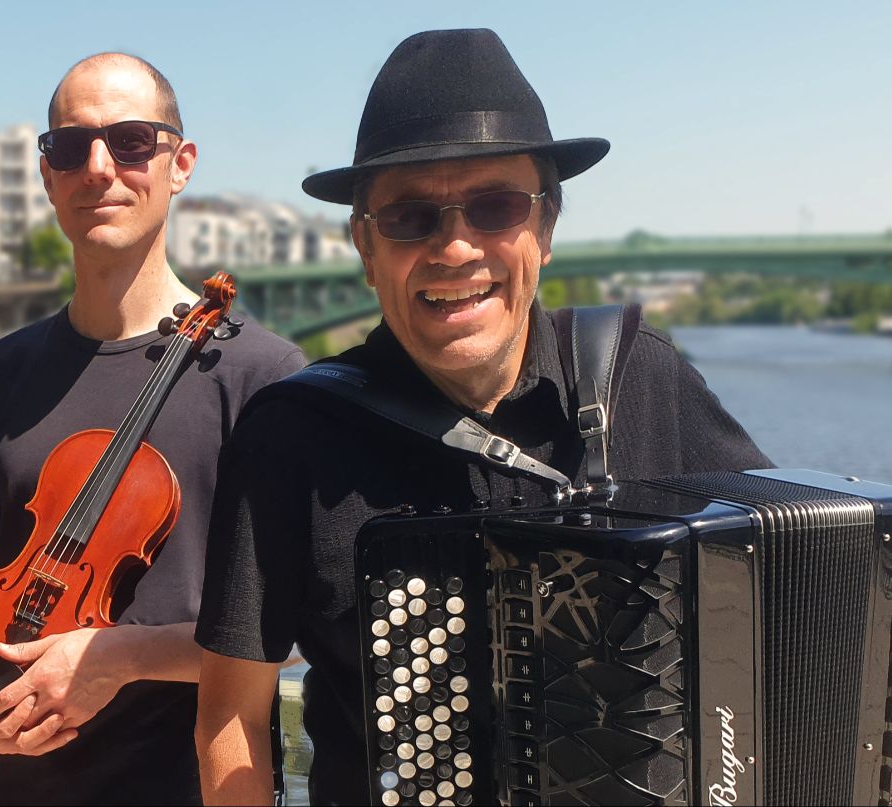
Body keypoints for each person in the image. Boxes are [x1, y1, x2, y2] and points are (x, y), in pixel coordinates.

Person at [192, 29, 772, 805]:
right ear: (365, 247)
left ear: (547, 226)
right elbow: (229, 713)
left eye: (496, 206)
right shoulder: (292, 434)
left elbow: (777, 584)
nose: (456, 247)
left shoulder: (641, 375)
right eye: (409, 218)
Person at [0, 53, 306, 805]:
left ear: (180, 162)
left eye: (131, 141)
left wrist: (120, 655)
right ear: (46, 175)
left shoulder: (263, 377)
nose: (98, 168)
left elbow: (284, 638)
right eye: (70, 147)